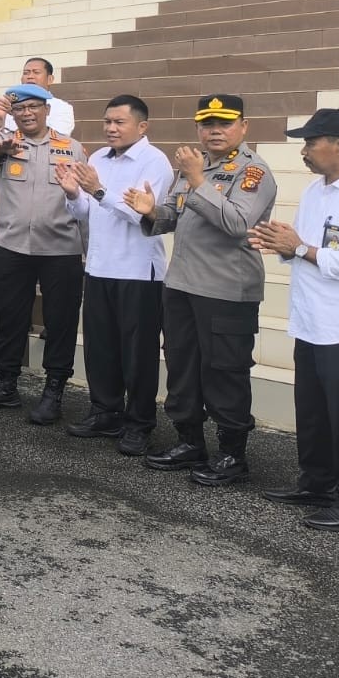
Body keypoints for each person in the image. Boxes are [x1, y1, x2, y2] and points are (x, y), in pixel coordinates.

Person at [249, 109, 339, 532]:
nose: (305, 151)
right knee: (313, 411)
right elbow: (301, 248)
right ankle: (317, 483)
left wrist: (302, 248)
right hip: (312, 320)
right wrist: (278, 243)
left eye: (312, 142)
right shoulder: (316, 191)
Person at [124, 94, 276, 486]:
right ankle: (189, 441)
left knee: (225, 372)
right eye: (207, 124)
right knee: (182, 366)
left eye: (224, 123)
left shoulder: (252, 171)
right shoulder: (196, 165)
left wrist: (196, 180)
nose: (214, 130)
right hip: (182, 284)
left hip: (226, 288)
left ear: (243, 126)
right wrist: (151, 211)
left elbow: (238, 223)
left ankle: (232, 455)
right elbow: (173, 214)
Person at [58, 96, 175, 456]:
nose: (110, 128)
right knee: (100, 347)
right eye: (107, 121)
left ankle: (139, 422)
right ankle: (105, 410)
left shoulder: (155, 163)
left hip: (139, 272)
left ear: (142, 127)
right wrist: (73, 194)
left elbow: (142, 217)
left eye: (119, 122)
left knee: (137, 353)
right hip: (99, 265)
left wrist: (98, 191)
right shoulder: (95, 160)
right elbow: (86, 212)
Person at [0, 83, 86, 423]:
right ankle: (6, 386)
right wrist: (1, 138)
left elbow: (83, 199)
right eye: (20, 109)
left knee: (60, 322)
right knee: (9, 318)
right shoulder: (5, 143)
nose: (27, 113)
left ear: (47, 110)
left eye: (34, 107)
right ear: (13, 113)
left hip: (61, 249)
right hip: (13, 246)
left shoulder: (72, 148)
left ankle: (54, 391)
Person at [0, 58, 76, 137]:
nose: (30, 76)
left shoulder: (62, 108)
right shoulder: (12, 106)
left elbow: (56, 138)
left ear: (50, 79)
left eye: (36, 72)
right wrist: (1, 118)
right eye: (26, 73)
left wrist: (16, 115)